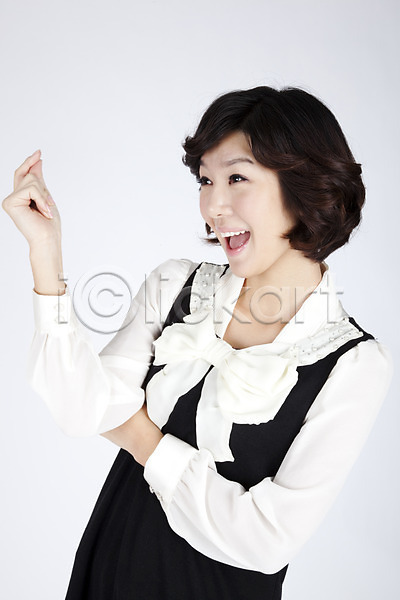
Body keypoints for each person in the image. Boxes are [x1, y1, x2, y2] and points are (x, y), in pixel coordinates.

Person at [2, 86, 393, 600]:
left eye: (236, 178)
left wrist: (142, 438)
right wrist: (45, 254)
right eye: (205, 180)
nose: (213, 205)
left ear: (304, 185)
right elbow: (83, 409)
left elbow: (266, 541)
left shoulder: (354, 364)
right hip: (109, 570)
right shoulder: (174, 286)